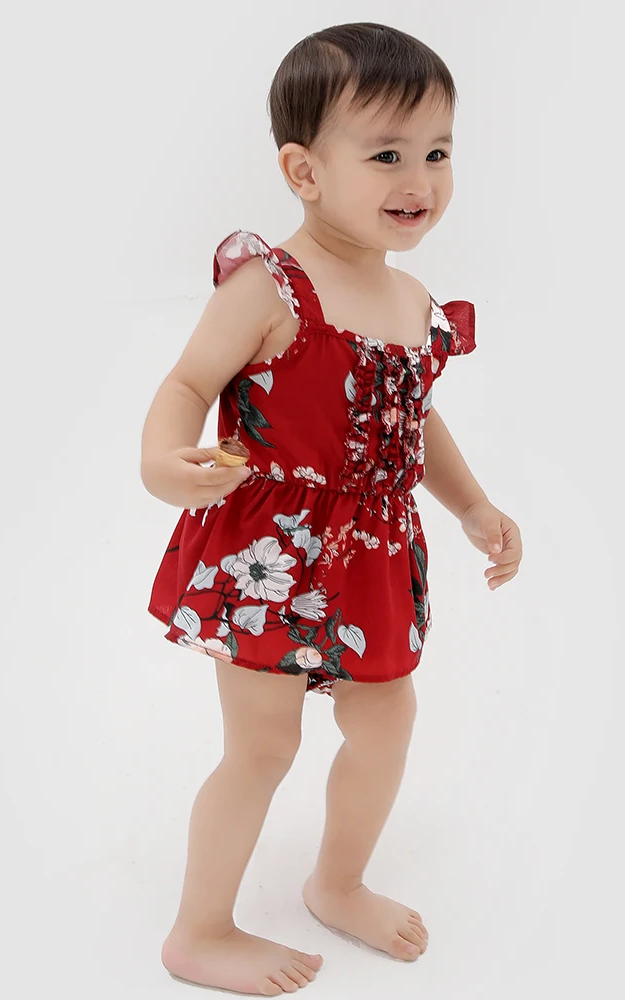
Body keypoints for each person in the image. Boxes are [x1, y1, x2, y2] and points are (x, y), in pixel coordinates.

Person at [140, 22, 522, 996]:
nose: (419, 179)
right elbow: (188, 383)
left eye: (437, 152)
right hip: (270, 550)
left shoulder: (410, 299)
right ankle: (198, 930)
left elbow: (413, 420)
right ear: (303, 171)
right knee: (263, 745)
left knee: (387, 721)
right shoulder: (270, 285)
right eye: (387, 154)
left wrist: (473, 504)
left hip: (371, 558)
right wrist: (162, 460)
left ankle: (337, 881)